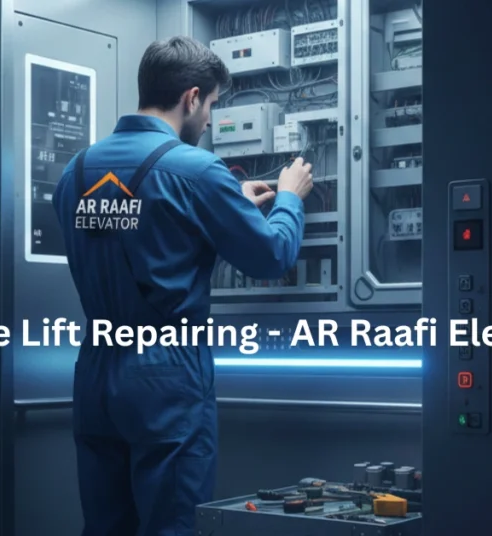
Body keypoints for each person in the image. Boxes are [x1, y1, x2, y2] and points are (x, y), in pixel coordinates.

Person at [51, 36, 314, 536]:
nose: (210, 119)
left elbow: (134, 229)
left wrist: (226, 203)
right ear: (191, 98)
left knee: (105, 526)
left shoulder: (75, 171)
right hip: (166, 377)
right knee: (172, 524)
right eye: (211, 104)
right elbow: (272, 255)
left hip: (96, 373)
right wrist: (289, 199)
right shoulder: (196, 171)